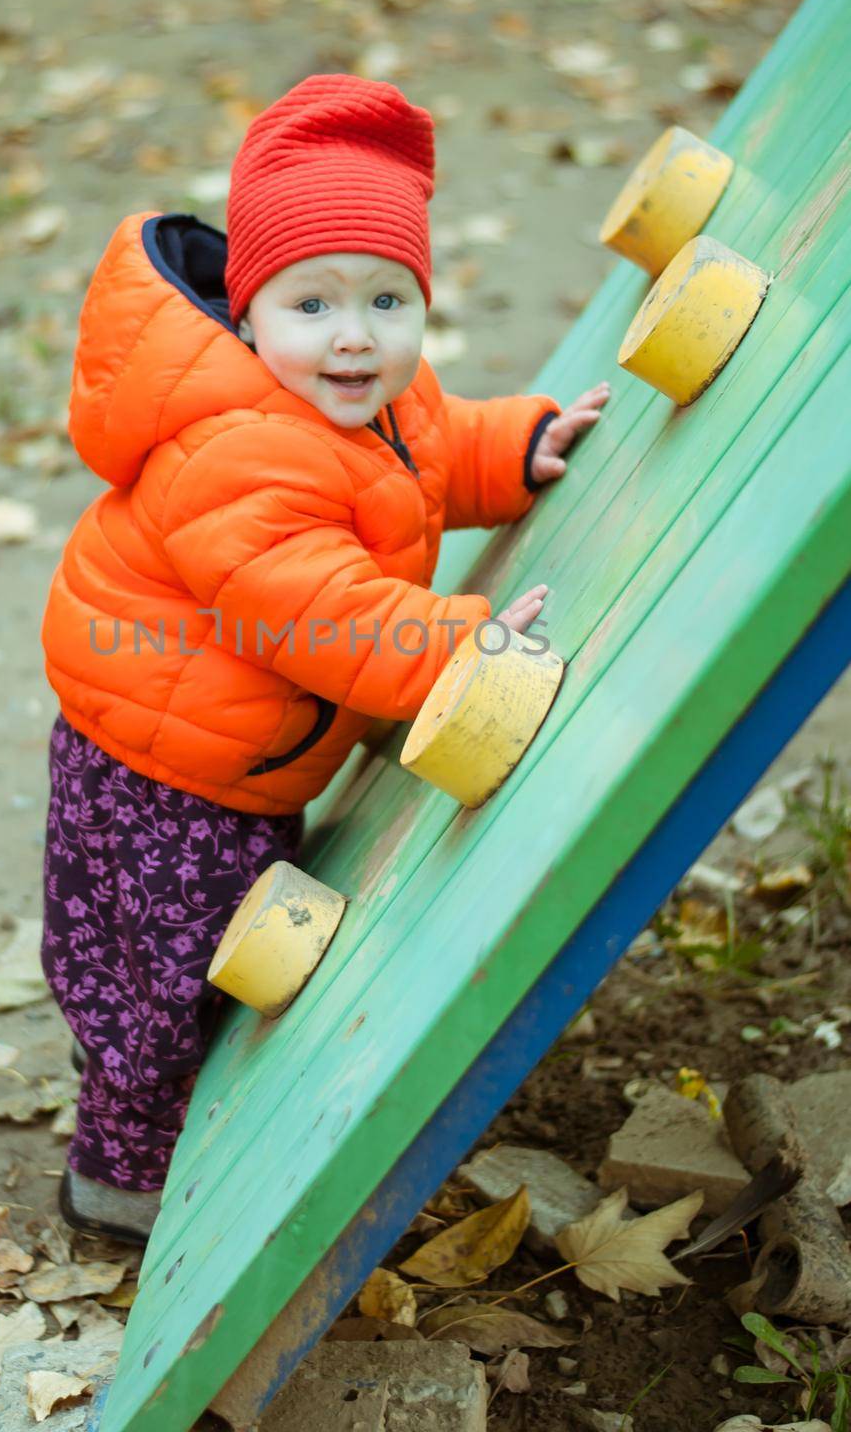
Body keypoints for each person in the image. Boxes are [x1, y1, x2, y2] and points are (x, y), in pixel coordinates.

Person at [39, 73, 609, 1244]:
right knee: (178, 982)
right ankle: (120, 1180)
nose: (355, 334)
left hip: (240, 749)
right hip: (163, 776)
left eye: (388, 299)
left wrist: (523, 444)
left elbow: (435, 458)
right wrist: (468, 640)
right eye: (311, 302)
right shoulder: (238, 452)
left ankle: (186, 1138)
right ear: (248, 316)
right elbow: (321, 614)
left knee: (237, 956)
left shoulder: (369, 397)